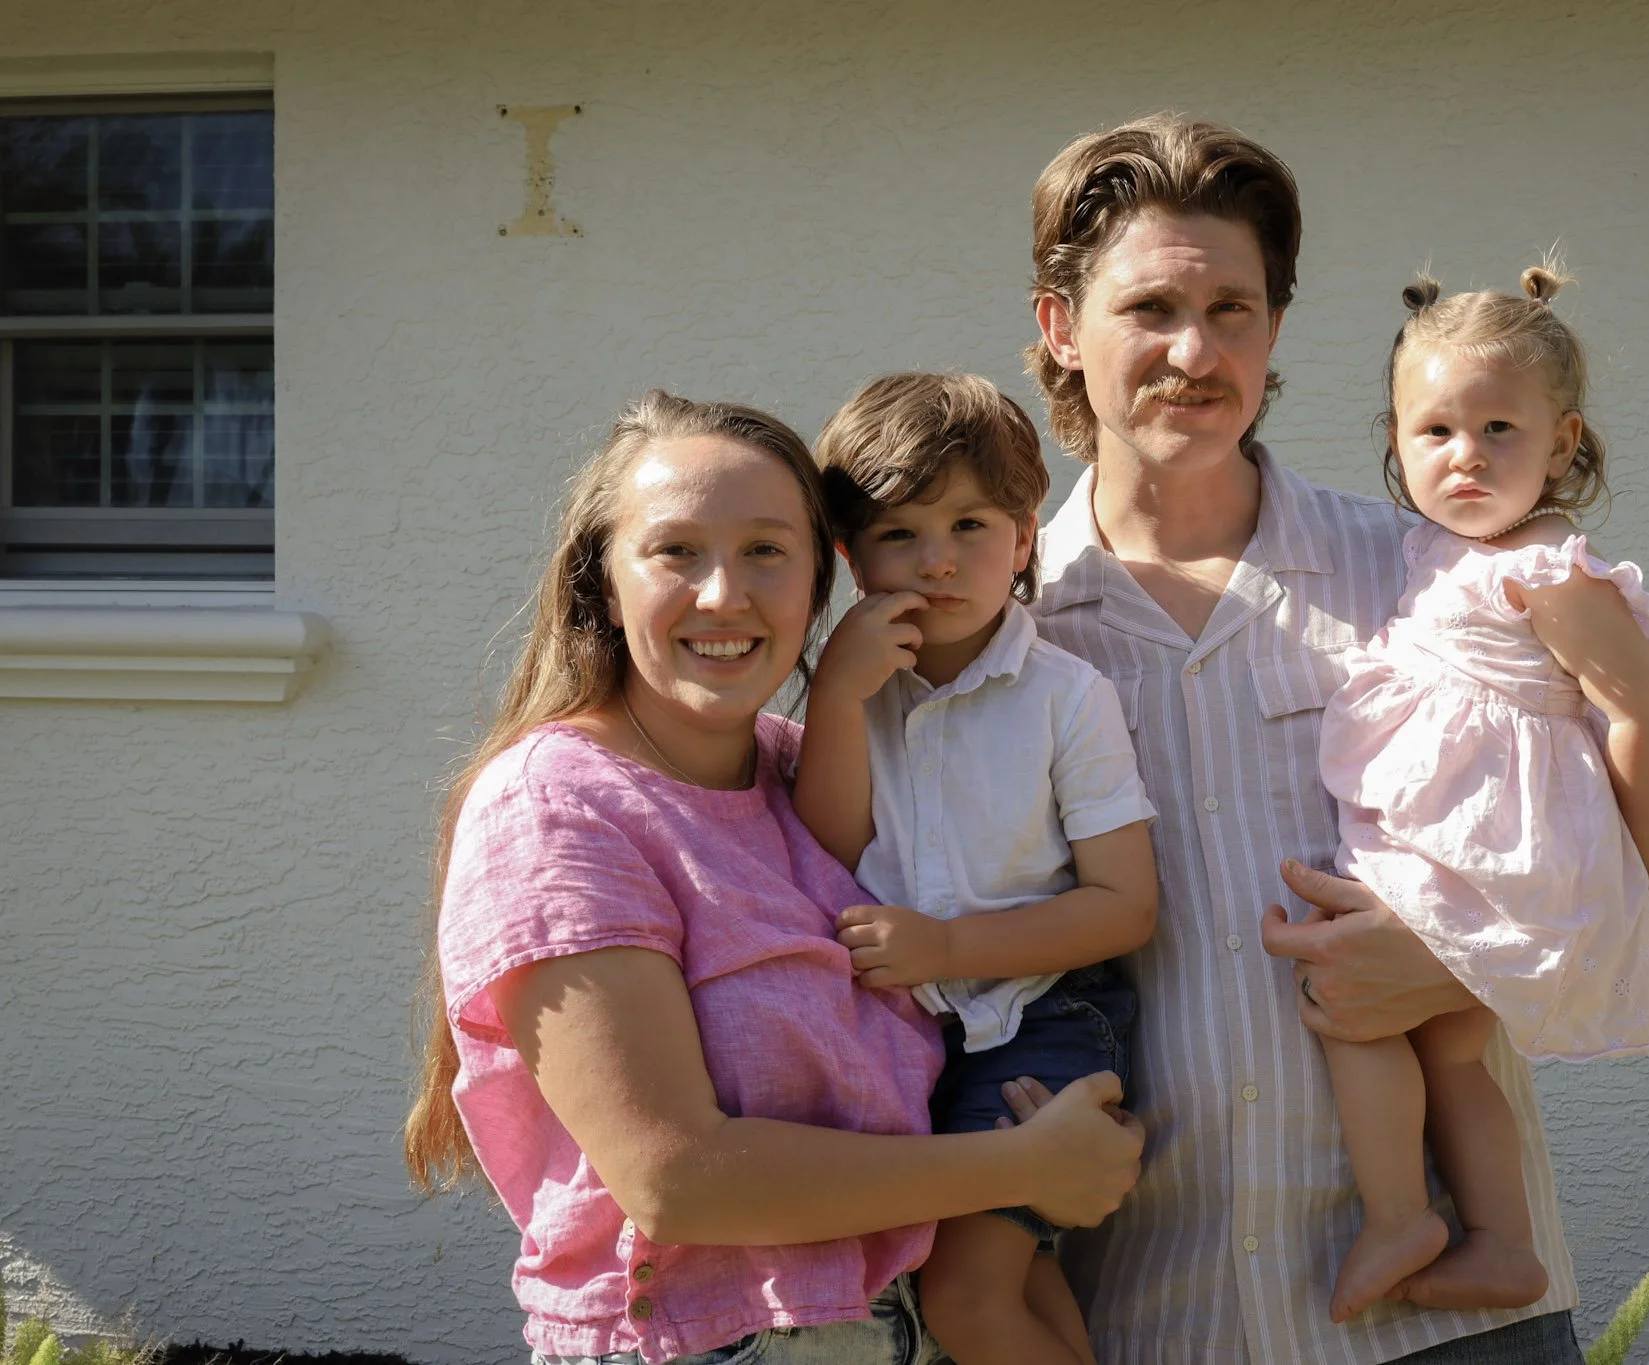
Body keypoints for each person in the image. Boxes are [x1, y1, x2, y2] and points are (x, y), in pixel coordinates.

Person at [401, 392, 1144, 1365]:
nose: (724, 594)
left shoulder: (802, 770)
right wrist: (1016, 1167)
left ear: (814, 582)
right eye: (675, 551)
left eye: (764, 550)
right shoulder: (560, 804)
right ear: (603, 582)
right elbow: (677, 1179)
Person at [1023, 113, 1593, 1362]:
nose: (1194, 348)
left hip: (1446, 1316)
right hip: (1138, 1314)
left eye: (1234, 307)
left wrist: (1460, 962)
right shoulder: (1001, 633)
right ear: (1061, 329)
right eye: (1150, 307)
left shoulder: (1431, 575)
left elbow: (1621, 874)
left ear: (1275, 327)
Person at [1314, 267, 1649, 1322]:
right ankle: (1501, 1243)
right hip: (1457, 831)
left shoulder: (1551, 569)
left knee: (1349, 1004)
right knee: (1446, 1043)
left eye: (1497, 429)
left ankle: (1396, 1218)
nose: (1463, 456)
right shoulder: (1430, 551)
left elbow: (1636, 709)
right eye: (1433, 433)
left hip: (1505, 845)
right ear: (1394, 440)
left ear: (1561, 443)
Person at [793, 371, 1159, 1365]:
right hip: (906, 1046)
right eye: (898, 534)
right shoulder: (845, 696)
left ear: (1025, 536)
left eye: (968, 526)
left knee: (963, 1302)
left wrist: (947, 945)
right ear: (848, 553)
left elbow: (1125, 906)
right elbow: (820, 854)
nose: (937, 562)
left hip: (1040, 1022)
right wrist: (831, 700)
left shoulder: (1063, 696)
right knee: (1020, 1286)